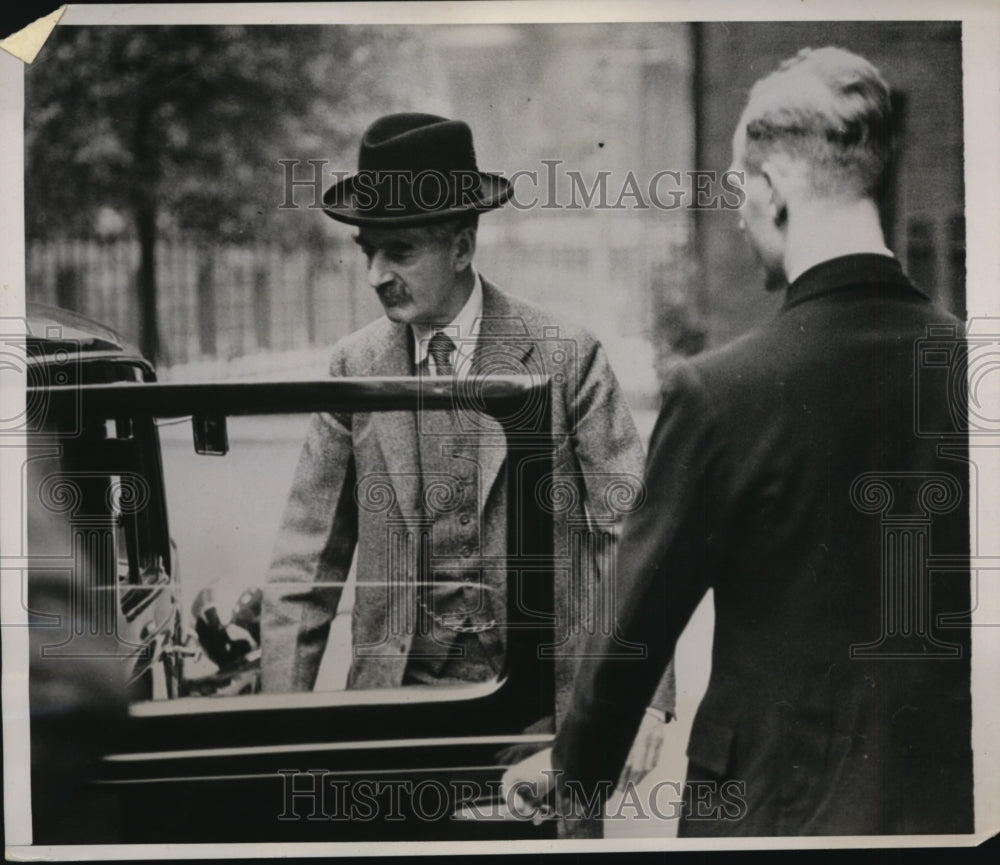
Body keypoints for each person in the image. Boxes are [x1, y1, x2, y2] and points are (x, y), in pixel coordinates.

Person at [503, 47, 973, 836]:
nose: (738, 214)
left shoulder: (721, 393)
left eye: (739, 190)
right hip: (938, 804)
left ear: (777, 188)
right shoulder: (968, 365)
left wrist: (571, 768)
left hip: (769, 813)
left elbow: (636, 627)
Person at [261, 114, 677, 778]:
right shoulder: (353, 367)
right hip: (398, 716)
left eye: (399, 252)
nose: (375, 274)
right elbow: (303, 566)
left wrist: (643, 703)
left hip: (544, 712)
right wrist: (273, 727)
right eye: (367, 251)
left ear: (461, 247)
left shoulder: (569, 357)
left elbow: (627, 538)